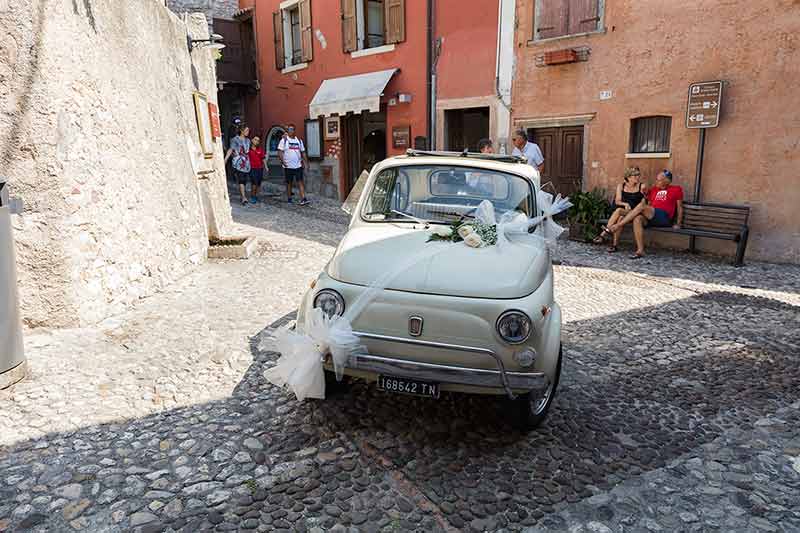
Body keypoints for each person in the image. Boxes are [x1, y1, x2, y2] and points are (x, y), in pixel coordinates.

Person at [606, 170, 683, 259]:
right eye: (657, 179)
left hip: (664, 217)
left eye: (659, 180)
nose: (656, 181)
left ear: (667, 181)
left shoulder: (676, 189)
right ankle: (640, 250)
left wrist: (678, 223)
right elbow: (649, 203)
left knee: (642, 206)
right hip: (651, 216)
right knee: (637, 218)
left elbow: (679, 207)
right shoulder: (654, 189)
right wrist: (645, 194)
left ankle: (617, 226)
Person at [594, 167, 647, 252]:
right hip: (622, 212)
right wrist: (625, 204)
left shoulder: (641, 186)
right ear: (628, 177)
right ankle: (614, 245)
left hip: (634, 212)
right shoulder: (621, 186)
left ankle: (604, 233)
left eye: (638, 175)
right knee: (620, 216)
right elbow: (617, 201)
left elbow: (645, 201)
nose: (638, 177)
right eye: (635, 175)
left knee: (619, 211)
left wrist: (644, 196)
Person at [277, 124, 310, 205]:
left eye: (292, 129)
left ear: (295, 130)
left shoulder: (298, 140)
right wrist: (283, 161)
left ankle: (303, 198)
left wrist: (306, 163)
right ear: (287, 131)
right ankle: (289, 198)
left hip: (298, 165)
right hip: (288, 166)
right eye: (289, 129)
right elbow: (280, 152)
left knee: (300, 182)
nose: (291, 131)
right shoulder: (284, 140)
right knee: (289, 183)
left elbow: (303, 152)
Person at [224, 125, 251, 206]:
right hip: (238, 162)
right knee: (241, 179)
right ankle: (243, 197)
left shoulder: (248, 140)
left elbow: (248, 151)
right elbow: (231, 149)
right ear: (242, 131)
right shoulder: (235, 139)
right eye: (246, 130)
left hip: (246, 162)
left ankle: (242, 194)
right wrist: (225, 160)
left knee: (244, 180)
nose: (248, 132)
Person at [248, 136, 266, 204]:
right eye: (255, 140)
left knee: (258, 183)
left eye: (258, 140)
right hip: (252, 168)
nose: (257, 141)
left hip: (260, 168)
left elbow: (263, 158)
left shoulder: (260, 150)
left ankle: (256, 195)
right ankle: (252, 196)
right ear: (252, 140)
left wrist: (266, 167)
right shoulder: (248, 150)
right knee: (254, 183)